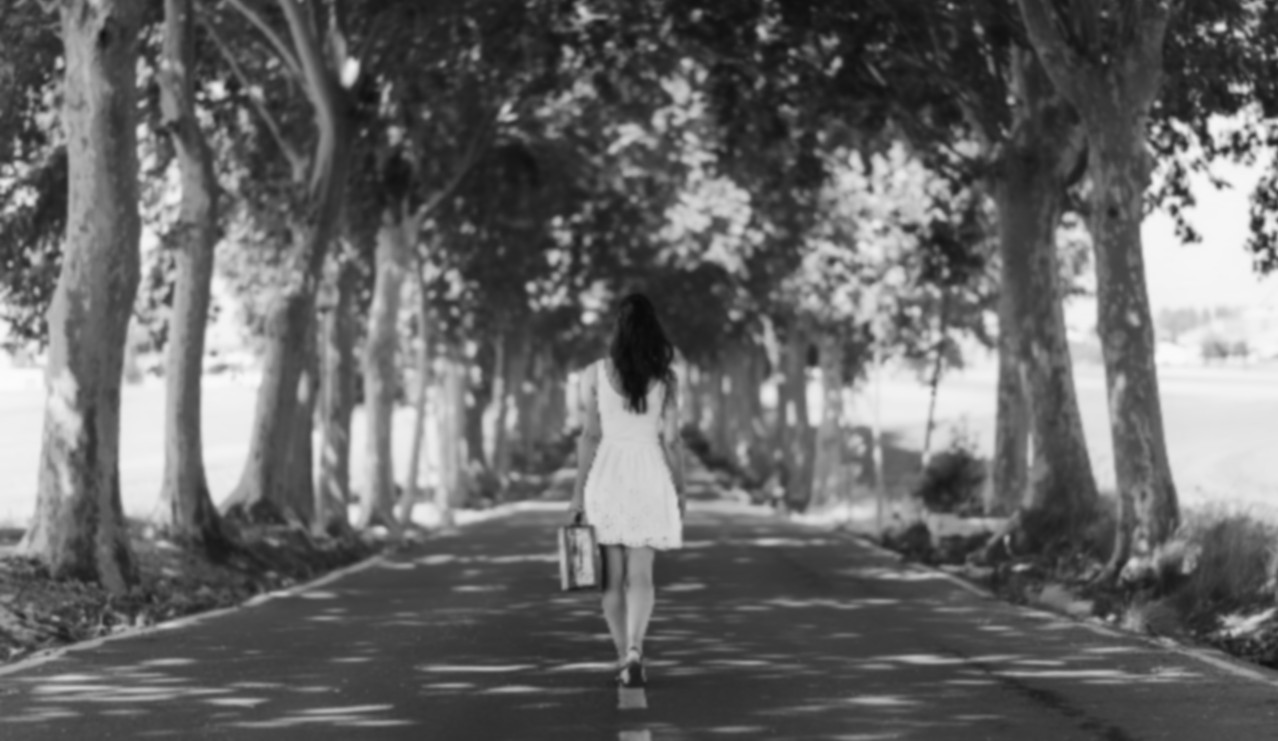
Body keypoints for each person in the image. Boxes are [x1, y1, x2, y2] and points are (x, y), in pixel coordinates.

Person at [569, 292, 686, 688]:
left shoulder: (594, 375)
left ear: (617, 329)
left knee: (611, 578)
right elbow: (672, 441)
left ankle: (623, 657)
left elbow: (589, 436)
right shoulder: (666, 379)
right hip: (650, 477)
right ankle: (636, 648)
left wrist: (576, 497)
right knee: (642, 575)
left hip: (607, 477)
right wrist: (680, 490)